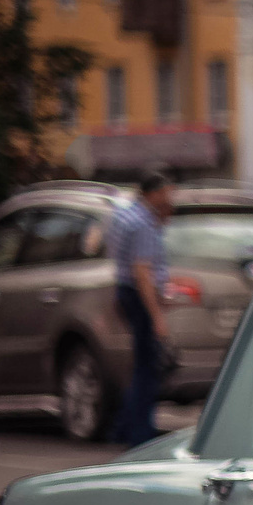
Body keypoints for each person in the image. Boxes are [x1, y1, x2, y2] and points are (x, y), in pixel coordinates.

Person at [106, 170, 178, 445]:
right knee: (147, 368)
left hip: (127, 292)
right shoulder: (143, 223)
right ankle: (138, 433)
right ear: (154, 193)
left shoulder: (127, 215)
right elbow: (142, 272)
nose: (169, 198)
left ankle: (123, 427)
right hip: (139, 295)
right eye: (166, 193)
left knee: (143, 364)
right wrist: (157, 315)